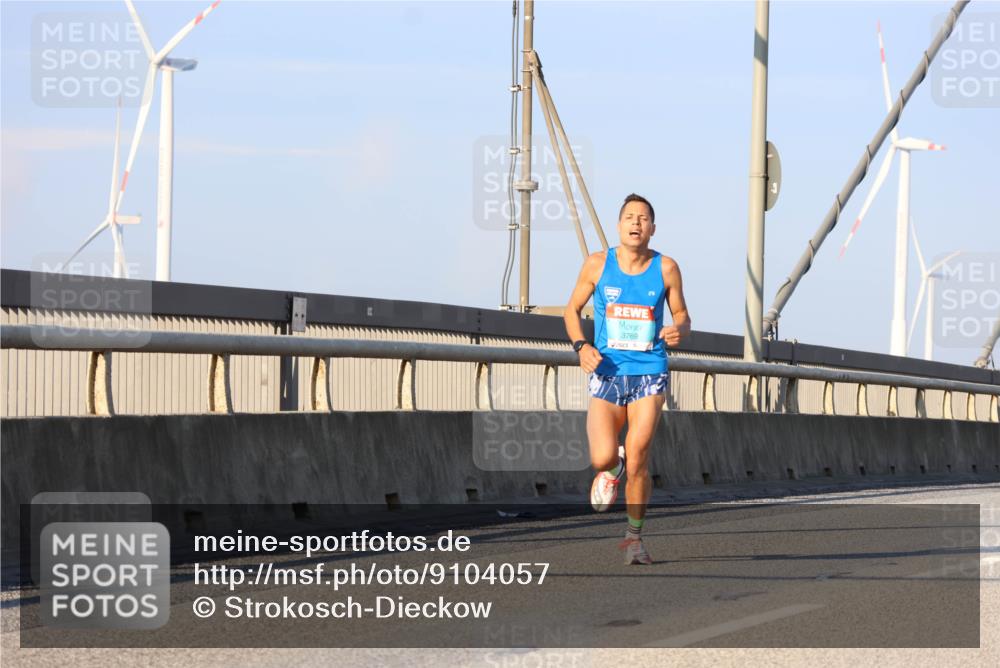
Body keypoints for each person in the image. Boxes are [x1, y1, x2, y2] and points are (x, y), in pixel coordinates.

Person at [563, 193, 691, 565]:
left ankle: (634, 538)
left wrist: (678, 329)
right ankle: (612, 469)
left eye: (644, 218)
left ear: (652, 228)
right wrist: (580, 346)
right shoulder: (597, 265)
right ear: (619, 225)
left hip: (649, 372)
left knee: (638, 456)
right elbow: (571, 309)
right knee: (603, 456)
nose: (636, 223)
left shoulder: (666, 268)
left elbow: (682, 314)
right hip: (607, 371)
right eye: (630, 217)